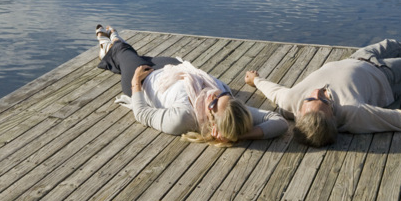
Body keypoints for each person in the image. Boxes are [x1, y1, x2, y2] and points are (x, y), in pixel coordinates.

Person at [243, 20, 401, 147]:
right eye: (326, 101)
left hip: (359, 57)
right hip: (387, 77)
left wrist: (256, 80)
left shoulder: (290, 102)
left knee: (394, 44)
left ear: (300, 113)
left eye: (311, 99)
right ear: (333, 115)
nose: (319, 92)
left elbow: (274, 92)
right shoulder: (354, 114)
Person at [96, 25, 287, 145]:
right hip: (177, 70)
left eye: (213, 104)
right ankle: (109, 50)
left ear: (214, 124)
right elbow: (280, 122)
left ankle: (111, 40)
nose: (213, 94)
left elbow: (143, 114)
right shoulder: (230, 109)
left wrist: (135, 83)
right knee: (143, 57)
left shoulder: (182, 118)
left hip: (145, 82)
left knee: (125, 54)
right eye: (222, 95)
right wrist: (242, 135)